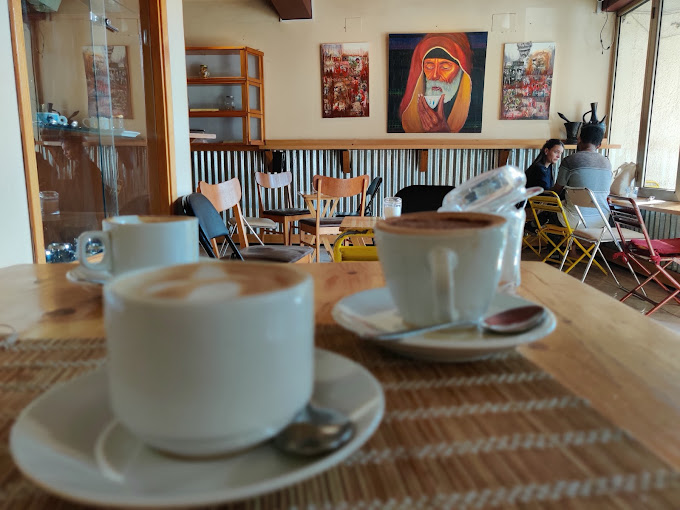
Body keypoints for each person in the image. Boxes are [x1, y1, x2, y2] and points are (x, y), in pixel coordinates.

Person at [399, 34, 473, 133]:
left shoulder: (474, 113)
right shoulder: (408, 112)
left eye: (445, 67)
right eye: (429, 66)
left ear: (462, 70)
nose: (434, 76)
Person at [552, 124, 612, 228]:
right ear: (599, 145)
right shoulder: (607, 163)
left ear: (579, 139)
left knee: (547, 208)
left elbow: (556, 191)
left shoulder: (569, 161)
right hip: (602, 220)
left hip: (574, 220)